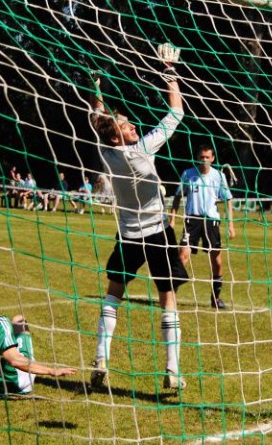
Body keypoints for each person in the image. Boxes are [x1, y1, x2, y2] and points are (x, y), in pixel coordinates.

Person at [88, 43, 188, 391]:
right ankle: (173, 369)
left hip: (128, 235)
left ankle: (102, 357)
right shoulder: (143, 150)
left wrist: (96, 89)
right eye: (128, 126)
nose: (134, 127)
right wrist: (169, 71)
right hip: (158, 233)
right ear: (118, 135)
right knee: (168, 297)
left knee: (113, 294)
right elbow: (176, 113)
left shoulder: (106, 152)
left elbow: (95, 121)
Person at [170, 144, 236, 309]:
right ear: (197, 158)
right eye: (202, 157)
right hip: (191, 220)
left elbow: (228, 199)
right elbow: (178, 196)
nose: (204, 160)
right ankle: (171, 295)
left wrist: (231, 225)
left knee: (217, 261)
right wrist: (172, 219)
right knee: (182, 256)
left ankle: (216, 298)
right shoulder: (188, 174)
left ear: (212, 159)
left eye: (208, 157)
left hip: (211, 221)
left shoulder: (219, 176)